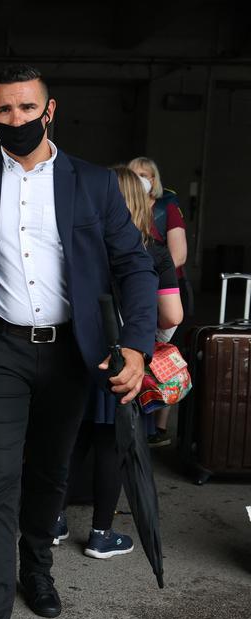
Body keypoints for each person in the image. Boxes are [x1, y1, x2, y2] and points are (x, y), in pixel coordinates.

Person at [0, 65, 157, 619]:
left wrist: (137, 346)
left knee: (50, 476)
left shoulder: (93, 184)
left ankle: (37, 565)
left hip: (68, 353)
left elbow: (135, 266)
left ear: (49, 110)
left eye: (26, 109)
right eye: (3, 111)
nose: (16, 121)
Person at [54, 166, 183, 560]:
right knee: (113, 445)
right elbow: (172, 315)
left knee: (70, 440)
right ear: (144, 202)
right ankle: (100, 534)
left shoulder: (82, 246)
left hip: (79, 354)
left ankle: (53, 522)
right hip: (125, 360)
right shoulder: (152, 252)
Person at [128, 156, 189, 445]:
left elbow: (178, 255)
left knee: (159, 357)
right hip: (148, 291)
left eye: (146, 174)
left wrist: (149, 277)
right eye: (135, 174)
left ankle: (157, 424)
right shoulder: (120, 212)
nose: (141, 179)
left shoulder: (167, 208)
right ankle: (142, 424)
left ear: (155, 179)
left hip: (165, 291)